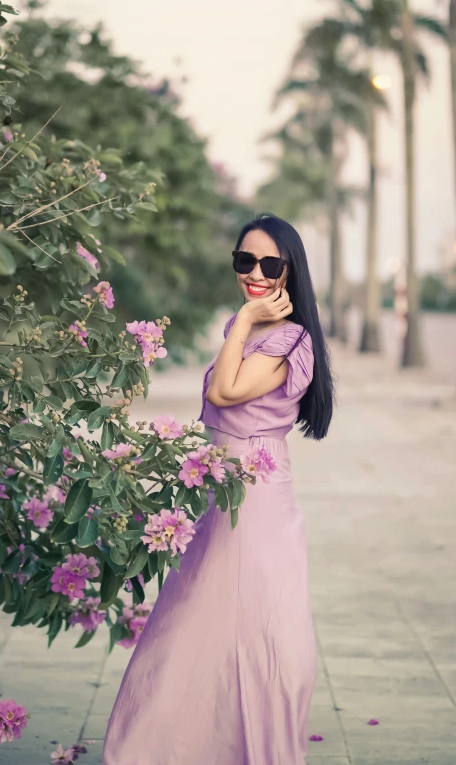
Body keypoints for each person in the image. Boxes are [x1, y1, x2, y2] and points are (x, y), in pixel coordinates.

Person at [102, 212, 335, 765]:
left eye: (269, 263)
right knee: (193, 620)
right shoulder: (248, 325)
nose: (255, 272)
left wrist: (247, 317)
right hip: (221, 494)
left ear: (289, 271)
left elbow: (228, 392)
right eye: (244, 260)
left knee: (249, 627)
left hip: (254, 500)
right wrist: (244, 321)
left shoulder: (288, 335)